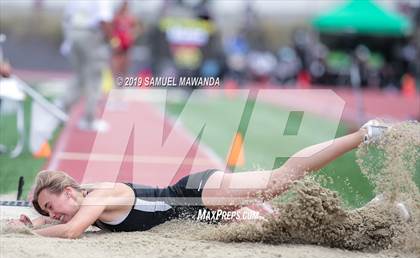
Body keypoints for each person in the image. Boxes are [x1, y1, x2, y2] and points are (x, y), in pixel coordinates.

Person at [9, 121, 391, 238]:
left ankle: (362, 134)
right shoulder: (89, 200)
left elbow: (74, 230)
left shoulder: (95, 199)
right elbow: (71, 221)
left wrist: (32, 231)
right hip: (196, 210)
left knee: (278, 181)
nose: (52, 213)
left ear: (69, 190)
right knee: (284, 227)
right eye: (47, 210)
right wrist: (38, 219)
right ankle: (374, 212)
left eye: (50, 205)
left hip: (198, 194)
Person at [56, 1, 114, 132]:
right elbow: (104, 20)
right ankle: (89, 119)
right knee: (94, 78)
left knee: (80, 76)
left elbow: (67, 17)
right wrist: (112, 40)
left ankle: (60, 108)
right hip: (90, 35)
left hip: (74, 34)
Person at [111, 0, 141, 78]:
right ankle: (116, 78)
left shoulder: (130, 17)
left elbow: (137, 28)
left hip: (127, 43)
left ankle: (123, 79)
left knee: (126, 61)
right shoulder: (116, 16)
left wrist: (132, 35)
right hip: (117, 42)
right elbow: (111, 28)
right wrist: (114, 39)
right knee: (117, 61)